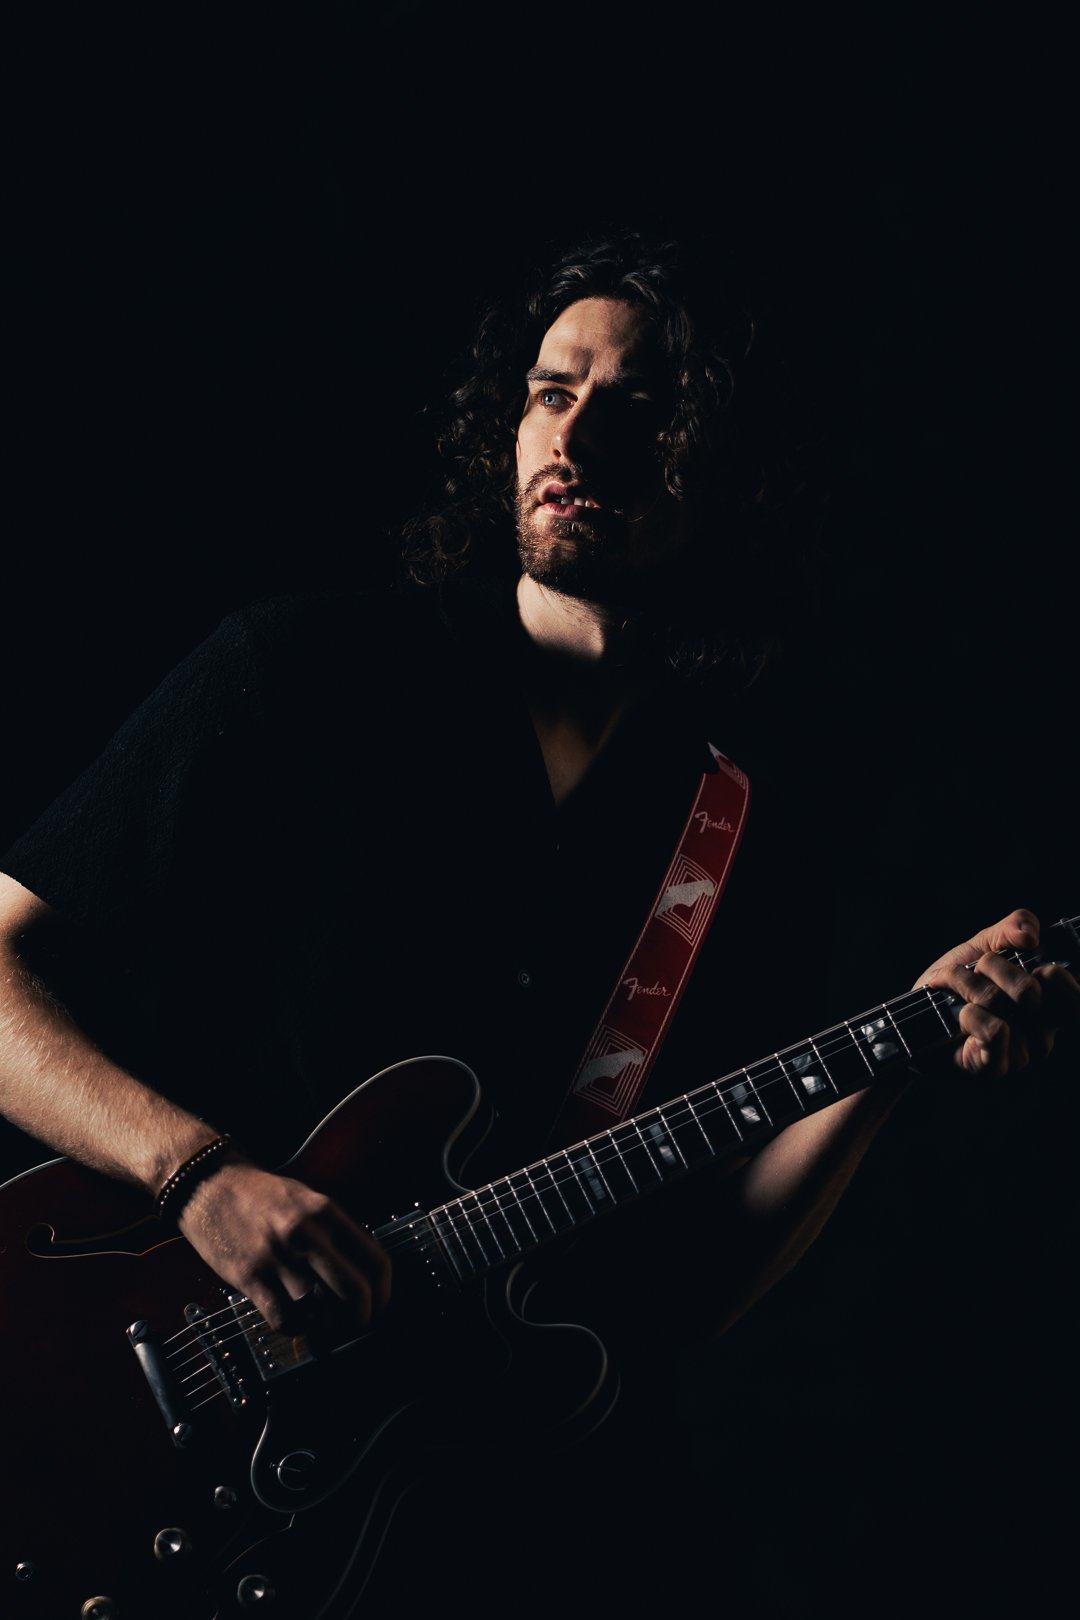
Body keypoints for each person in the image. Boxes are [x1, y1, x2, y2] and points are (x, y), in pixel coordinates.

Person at [1, 231, 1075, 1616]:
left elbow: (689, 1279)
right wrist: (198, 1175)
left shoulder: (732, 829)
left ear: (726, 466)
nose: (579, 436)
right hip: (121, 1395)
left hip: (420, 1525)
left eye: (643, 407)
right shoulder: (298, 674)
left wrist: (901, 1055)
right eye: (553, 392)